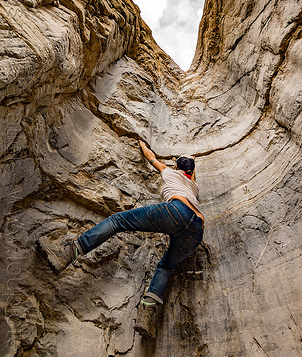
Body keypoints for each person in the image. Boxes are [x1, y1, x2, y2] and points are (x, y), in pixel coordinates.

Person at [41, 141, 204, 338]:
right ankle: (146, 315)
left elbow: (151, 157)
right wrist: (191, 162)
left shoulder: (170, 172)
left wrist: (143, 145)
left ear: (177, 167)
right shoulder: (193, 185)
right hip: (196, 229)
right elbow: (190, 170)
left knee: (118, 220)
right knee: (167, 266)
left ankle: (67, 254)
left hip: (177, 211)